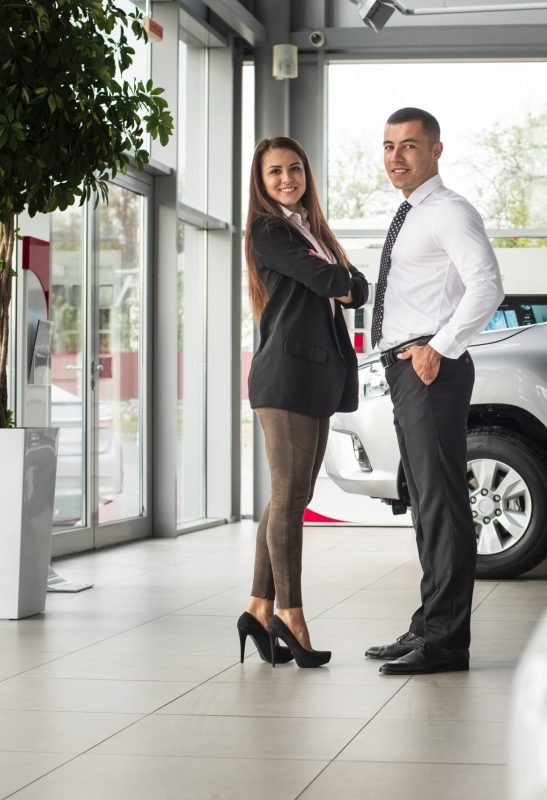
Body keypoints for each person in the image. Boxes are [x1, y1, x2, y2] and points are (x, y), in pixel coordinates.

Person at [365, 108, 504, 675]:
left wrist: (437, 348)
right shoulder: (410, 214)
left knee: (442, 504)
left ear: (436, 151)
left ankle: (447, 641)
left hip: (430, 368)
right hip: (409, 367)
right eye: (389, 145)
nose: (397, 156)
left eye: (410, 146)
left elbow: (488, 285)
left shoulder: (447, 211)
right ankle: (429, 625)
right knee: (425, 504)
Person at [237, 136, 368, 669]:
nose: (287, 178)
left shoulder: (309, 230)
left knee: (289, 496)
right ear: (261, 182)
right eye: (275, 173)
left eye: (294, 169)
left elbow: (355, 287)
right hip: (286, 377)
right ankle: (290, 613)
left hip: (311, 377)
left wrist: (344, 281)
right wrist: (342, 280)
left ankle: (257, 606)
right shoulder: (268, 230)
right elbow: (332, 280)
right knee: (291, 500)